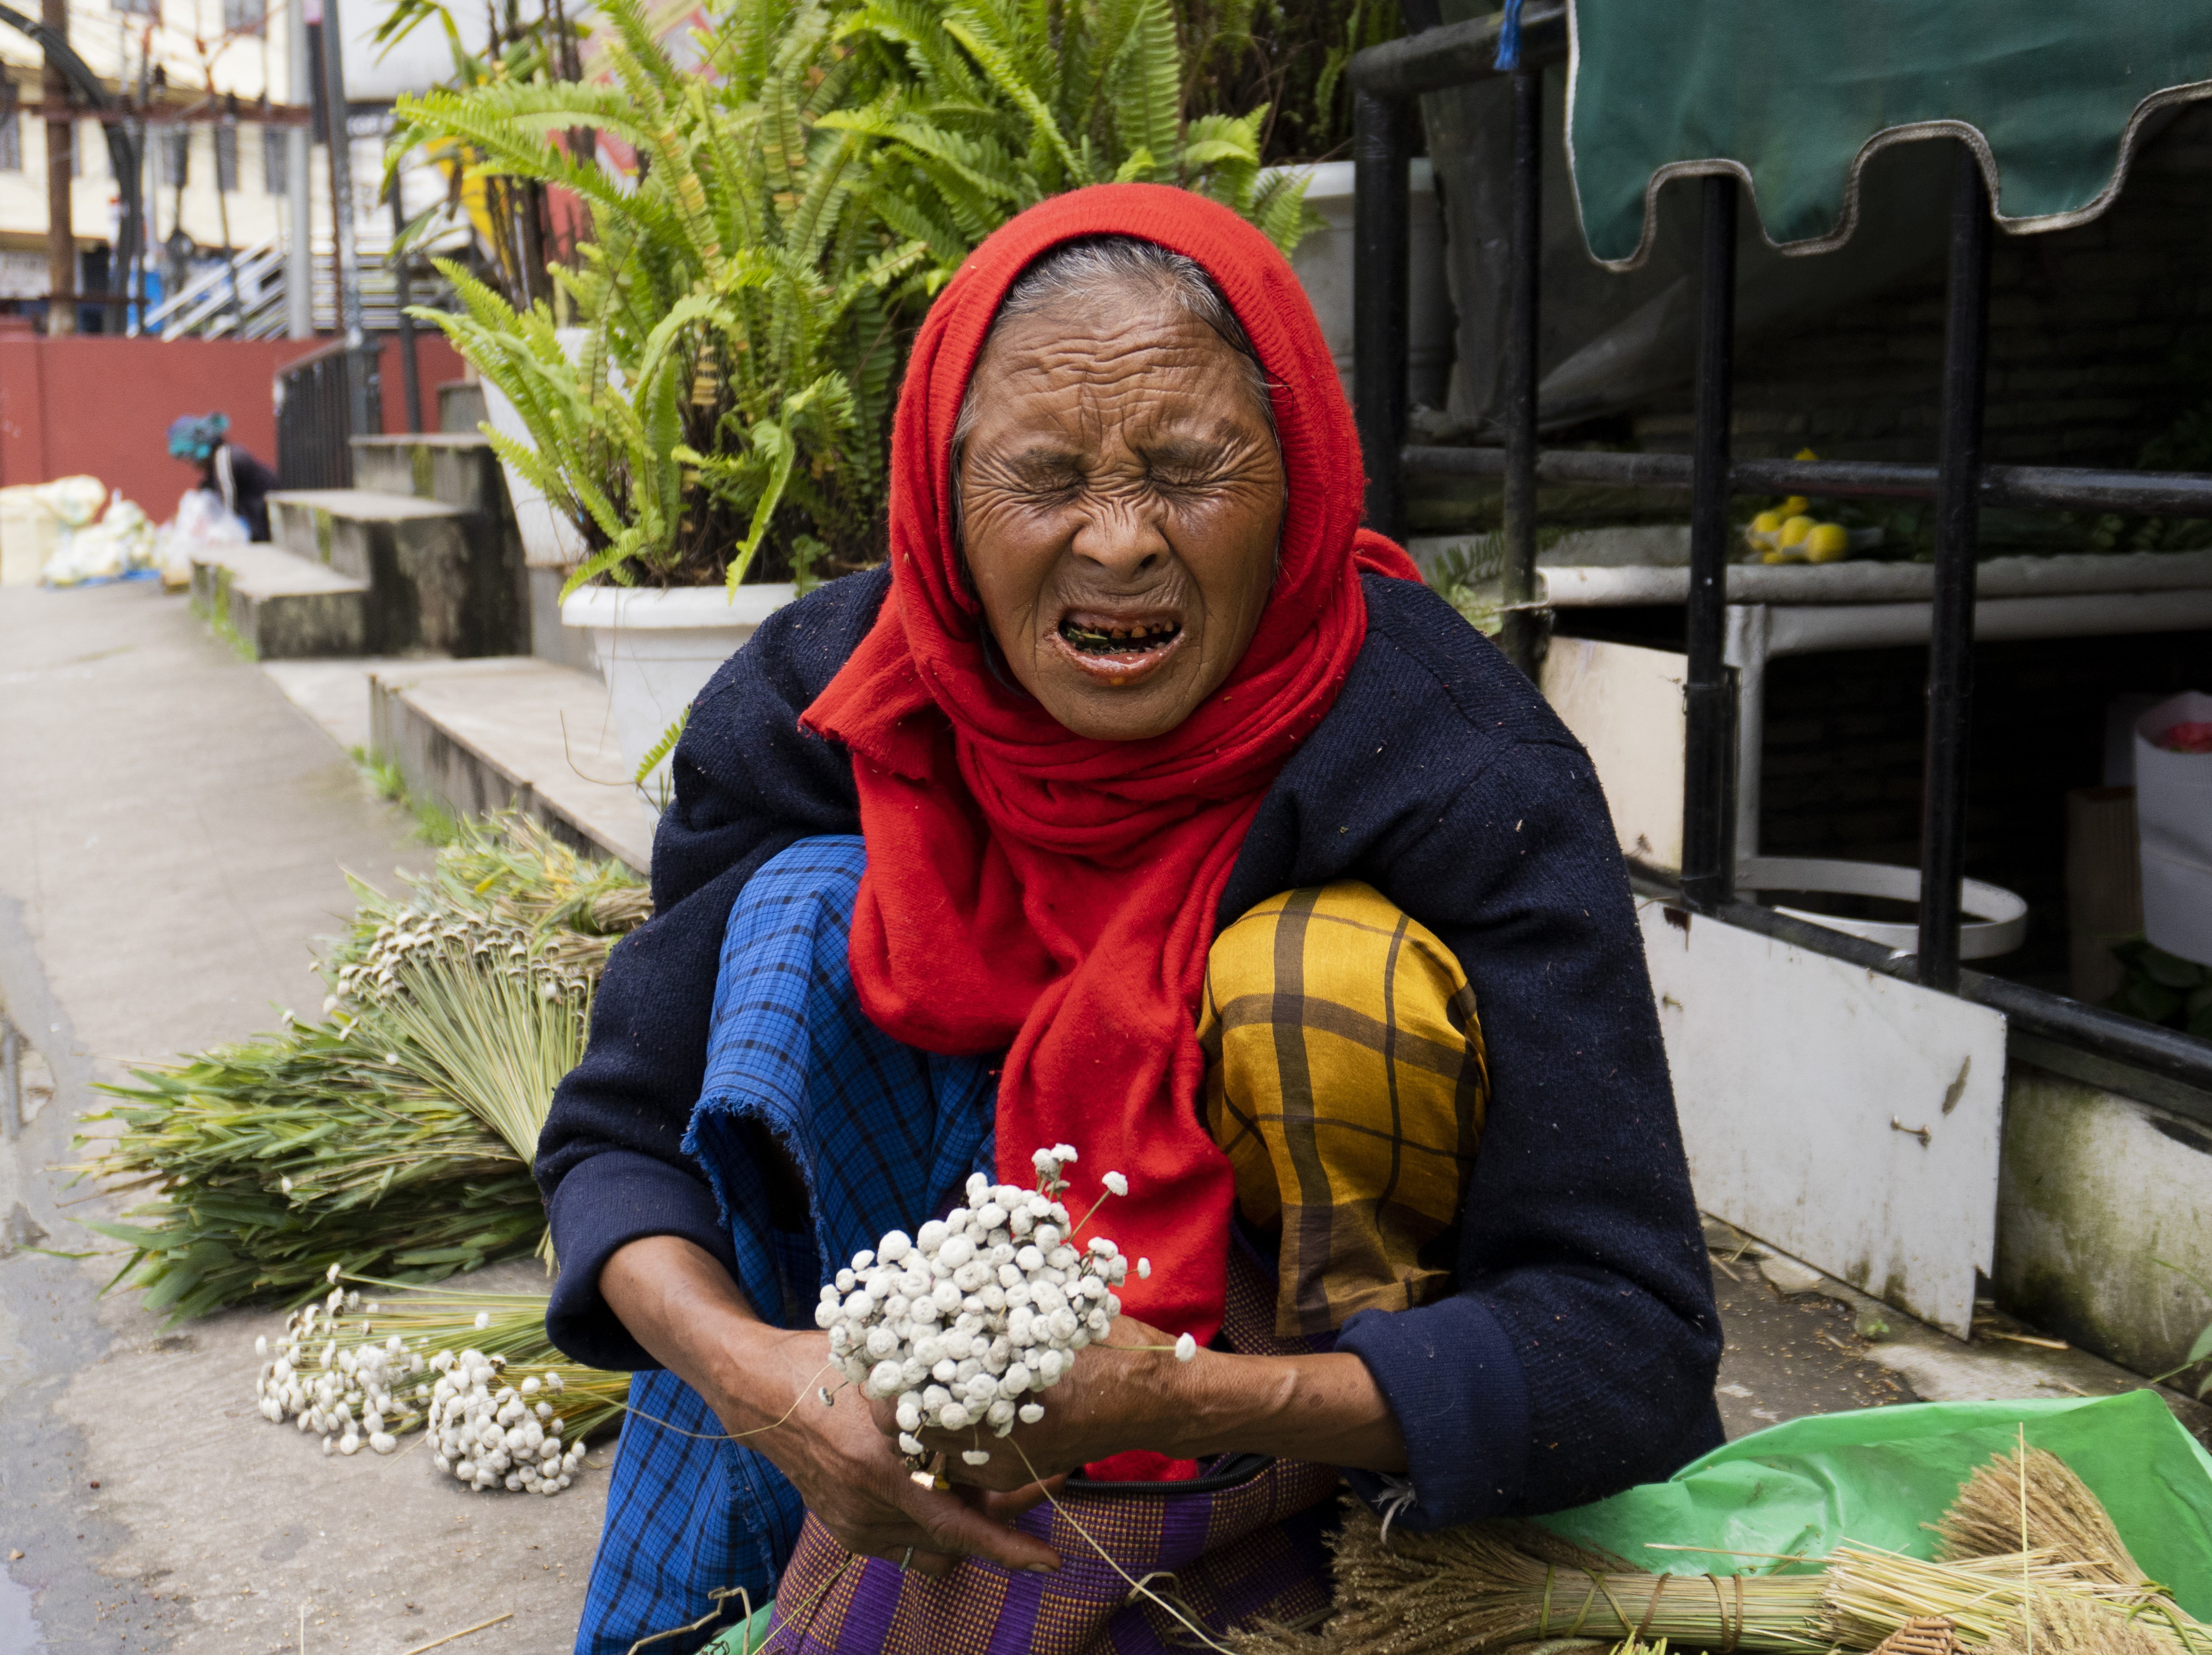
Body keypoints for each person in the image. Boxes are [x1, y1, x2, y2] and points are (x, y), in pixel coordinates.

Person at [538, 184, 1723, 1655]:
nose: (1117, 544)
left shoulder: (1454, 765)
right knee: (800, 912)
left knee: (1317, 981)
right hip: (888, 1329)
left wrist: (1181, 1396)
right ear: (941, 494)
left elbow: (1630, 1337)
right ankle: (818, 1514)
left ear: (1297, 478)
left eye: (1189, 469)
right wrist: (769, 1382)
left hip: (1292, 1375)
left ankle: (1304, 1535)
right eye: (1043, 479)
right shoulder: (819, 708)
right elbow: (617, 1140)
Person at [166, 412, 277, 542]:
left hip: (266, 526)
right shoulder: (216, 467)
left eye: (189, 458)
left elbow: (228, 509)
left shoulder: (226, 459)